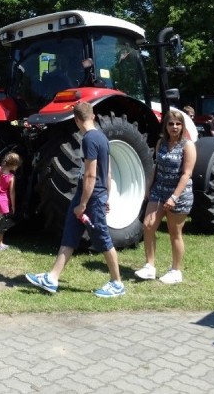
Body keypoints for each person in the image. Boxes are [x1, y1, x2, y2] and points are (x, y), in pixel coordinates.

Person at [25, 101, 125, 298]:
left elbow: (90, 175)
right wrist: (106, 196)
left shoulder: (89, 139)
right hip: (90, 195)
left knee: (102, 239)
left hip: (90, 197)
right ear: (93, 116)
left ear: (77, 120)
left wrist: (84, 204)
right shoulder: (102, 137)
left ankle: (117, 283)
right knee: (70, 236)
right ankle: (52, 278)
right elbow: (109, 171)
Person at [134, 109, 197, 285]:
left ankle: (176, 271)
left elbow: (186, 174)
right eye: (171, 124)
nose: (174, 127)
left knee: (174, 233)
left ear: (183, 126)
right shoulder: (161, 142)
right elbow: (157, 166)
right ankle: (149, 266)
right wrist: (148, 186)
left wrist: (175, 197)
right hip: (158, 190)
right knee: (148, 226)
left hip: (179, 194)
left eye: (178, 124)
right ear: (166, 126)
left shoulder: (188, 145)